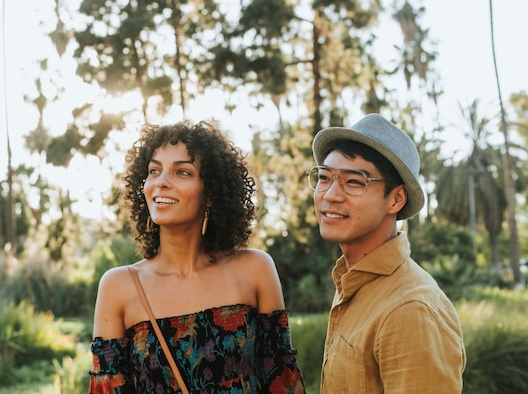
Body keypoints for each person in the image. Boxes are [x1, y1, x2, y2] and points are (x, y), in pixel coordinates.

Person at [89, 121, 306, 394]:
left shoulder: (255, 269)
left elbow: (284, 383)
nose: (161, 182)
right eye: (154, 170)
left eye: (182, 171)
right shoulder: (118, 286)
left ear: (211, 194)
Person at [308, 113, 466, 393]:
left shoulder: (410, 309)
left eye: (354, 182)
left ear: (396, 198)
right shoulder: (354, 280)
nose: (330, 194)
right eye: (324, 177)